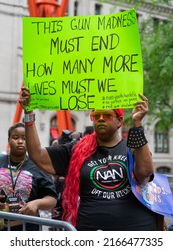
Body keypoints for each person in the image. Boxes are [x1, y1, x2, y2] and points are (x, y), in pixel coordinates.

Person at [19, 87, 159, 231]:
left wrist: (137, 124)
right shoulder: (77, 149)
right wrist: (29, 113)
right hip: (90, 232)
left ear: (120, 121)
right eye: (96, 116)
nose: (101, 119)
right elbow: (37, 155)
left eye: (107, 115)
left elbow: (145, 173)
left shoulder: (133, 147)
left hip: (136, 232)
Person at [0, 122, 58, 231]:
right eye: (15, 137)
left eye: (25, 138)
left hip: (28, 230)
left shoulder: (38, 166)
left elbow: (52, 199)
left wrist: (37, 203)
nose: (20, 141)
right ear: (9, 140)